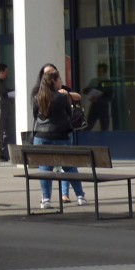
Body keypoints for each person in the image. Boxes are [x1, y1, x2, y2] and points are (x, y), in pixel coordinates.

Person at [31, 63, 87, 209]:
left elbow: (35, 115)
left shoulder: (38, 97)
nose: (61, 81)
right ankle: (80, 196)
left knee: (44, 168)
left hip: (41, 136)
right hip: (62, 135)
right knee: (69, 166)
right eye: (59, 79)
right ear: (54, 81)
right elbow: (69, 114)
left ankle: (46, 199)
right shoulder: (62, 98)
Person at [84, 62, 114, 131]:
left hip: (103, 107)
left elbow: (110, 97)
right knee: (88, 126)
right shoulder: (94, 81)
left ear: (104, 72)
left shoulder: (108, 83)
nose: (99, 73)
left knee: (104, 128)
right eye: (98, 71)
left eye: (100, 71)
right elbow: (85, 90)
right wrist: (89, 90)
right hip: (94, 107)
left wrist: (99, 99)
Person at [0, 62, 15, 161]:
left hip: (5, 112)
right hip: (1, 112)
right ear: (1, 72)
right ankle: (0, 153)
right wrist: (11, 97)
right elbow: (1, 98)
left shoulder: (1, 83)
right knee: (0, 132)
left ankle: (3, 152)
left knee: (6, 132)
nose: (7, 74)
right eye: (6, 72)